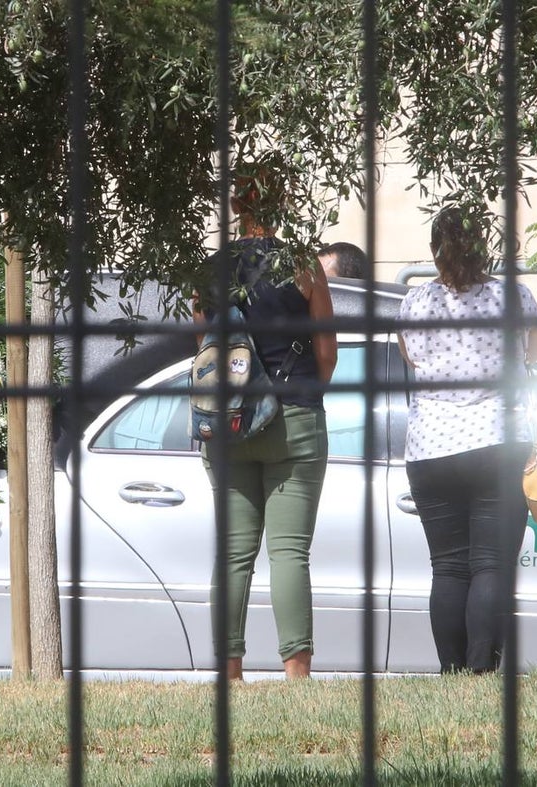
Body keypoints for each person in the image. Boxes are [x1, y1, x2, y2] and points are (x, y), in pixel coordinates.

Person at [193, 163, 337, 681]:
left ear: (236, 206)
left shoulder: (210, 271)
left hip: (228, 425)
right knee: (289, 553)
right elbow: (327, 353)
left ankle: (228, 674)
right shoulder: (302, 265)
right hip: (294, 415)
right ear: (282, 203)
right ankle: (296, 673)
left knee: (233, 556)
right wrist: (299, 396)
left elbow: (205, 354)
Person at [398, 206, 537, 674]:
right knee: (491, 565)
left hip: (430, 450)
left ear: (433, 253)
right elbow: (535, 351)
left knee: (447, 566)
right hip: (497, 443)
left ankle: (451, 671)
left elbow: (413, 359)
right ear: (483, 247)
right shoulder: (513, 298)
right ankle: (482, 672)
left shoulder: (415, 303)